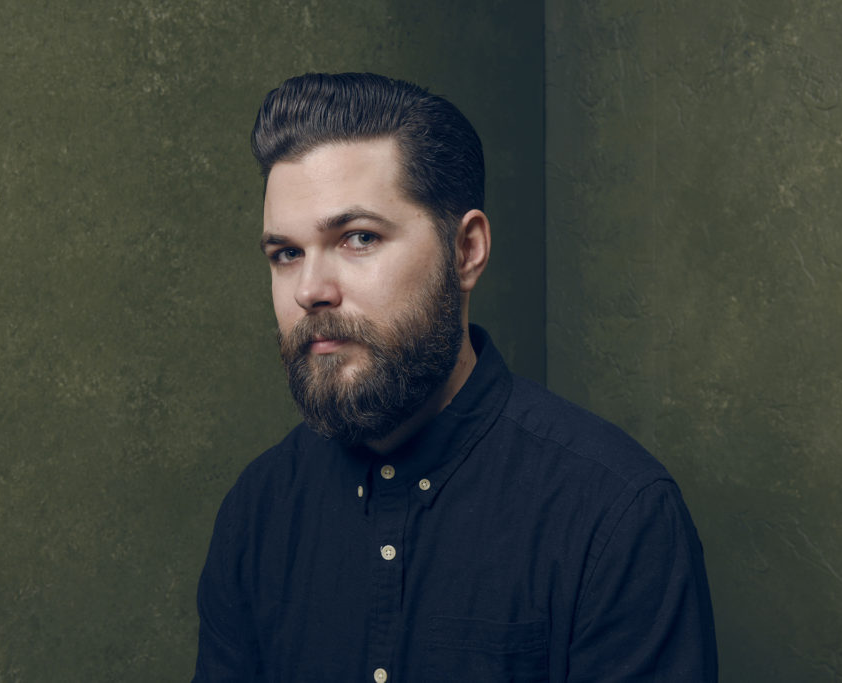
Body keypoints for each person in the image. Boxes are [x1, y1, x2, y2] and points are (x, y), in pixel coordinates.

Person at [192, 72, 717, 682]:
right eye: (286, 254)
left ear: (466, 250)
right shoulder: (258, 511)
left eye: (358, 238)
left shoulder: (616, 516)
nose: (311, 290)